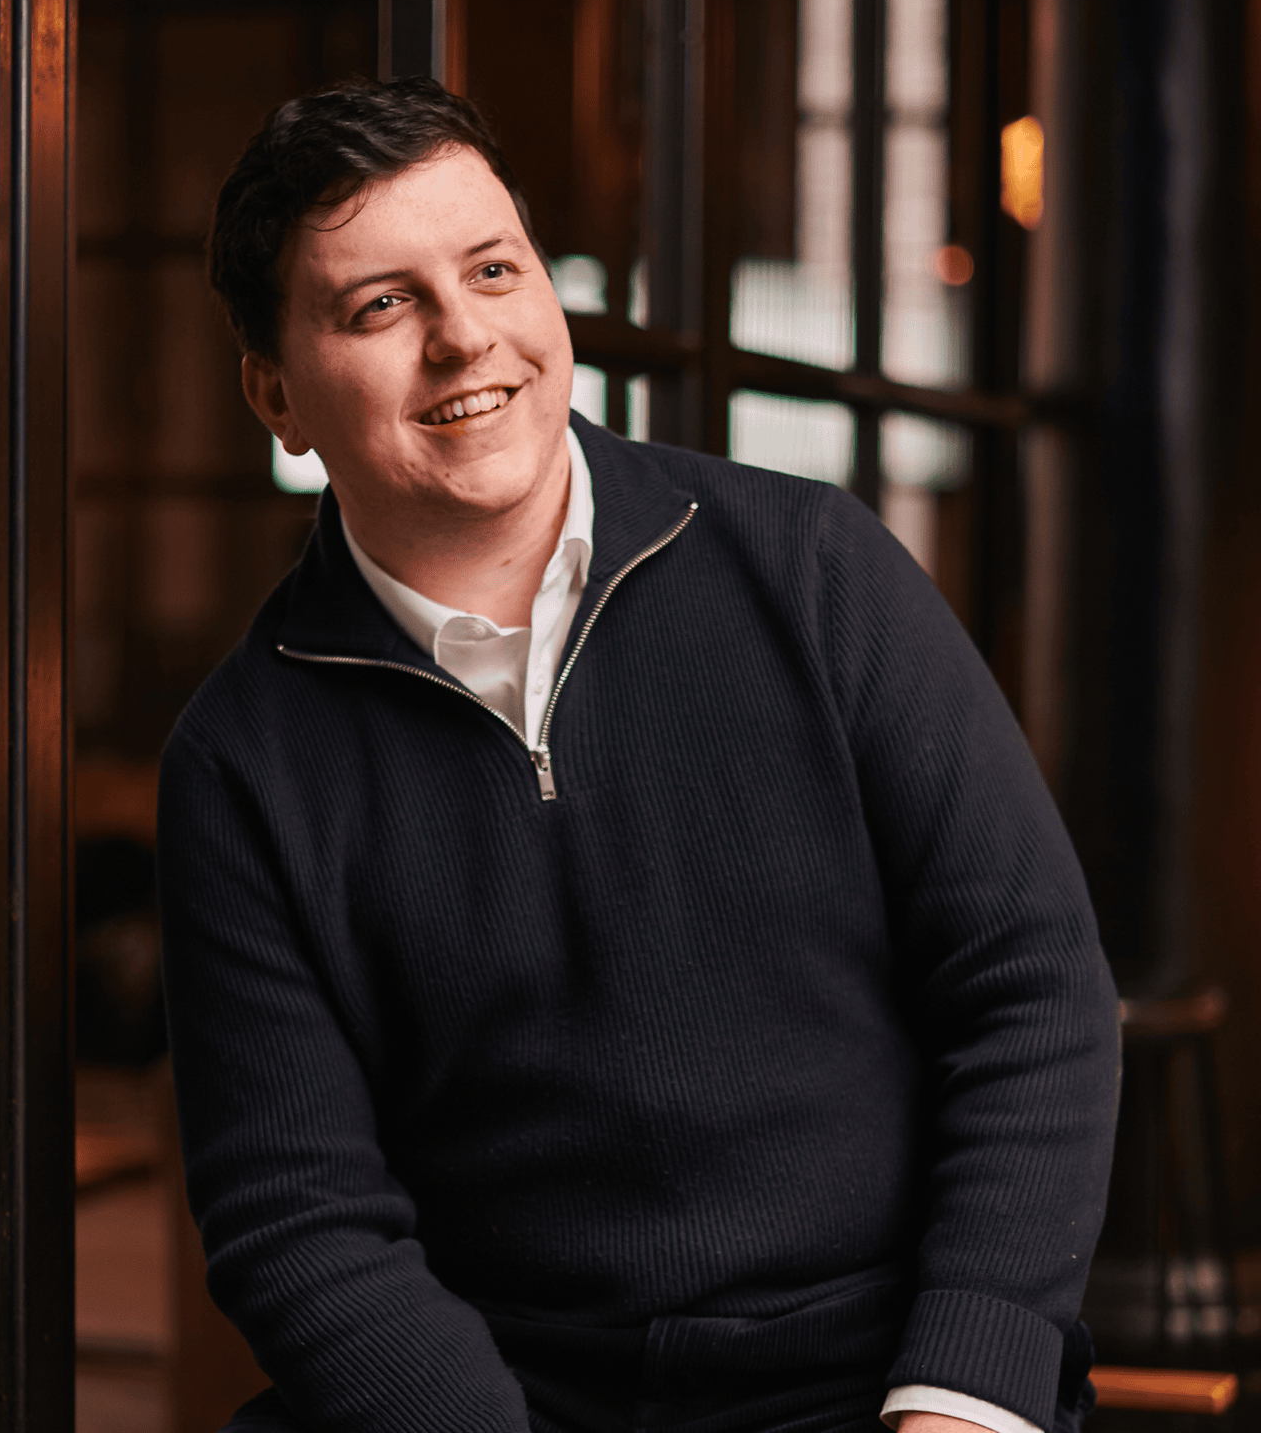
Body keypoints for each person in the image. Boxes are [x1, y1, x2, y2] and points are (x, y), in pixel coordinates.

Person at [156, 77, 1120, 1433]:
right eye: (380, 305)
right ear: (277, 395)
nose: (464, 337)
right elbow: (297, 1216)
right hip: (507, 1404)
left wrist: (966, 1385)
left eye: (494, 271)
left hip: (884, 1379)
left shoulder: (817, 572)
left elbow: (1030, 991)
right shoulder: (240, 761)